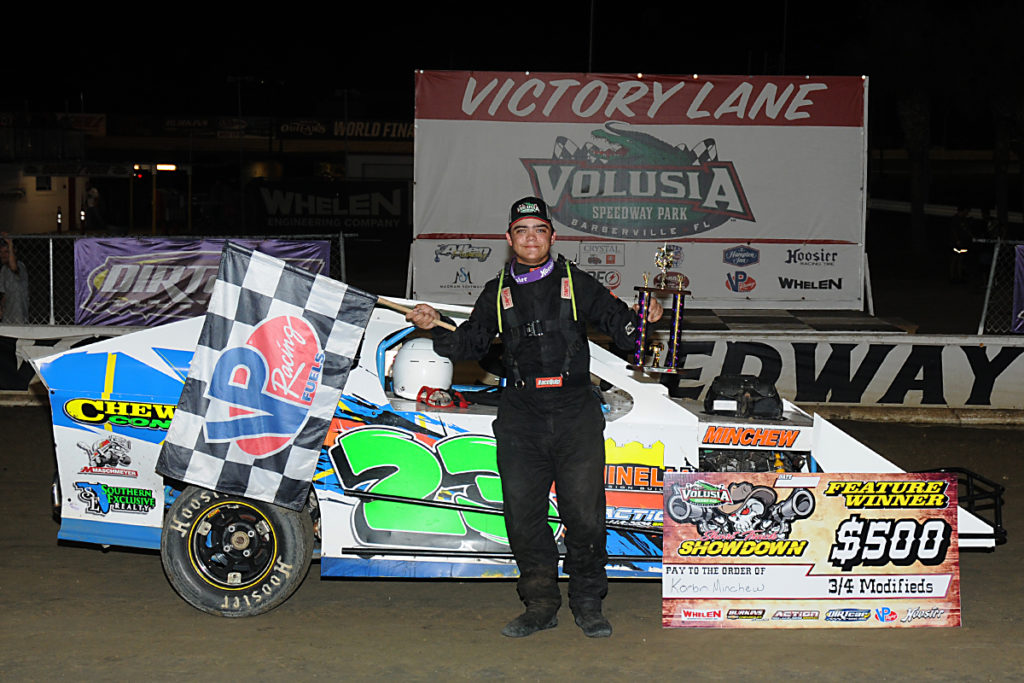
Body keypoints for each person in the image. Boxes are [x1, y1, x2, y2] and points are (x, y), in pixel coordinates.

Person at [406, 197, 662, 638]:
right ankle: (540, 605)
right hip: (521, 416)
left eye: (539, 230)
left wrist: (646, 318)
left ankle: (588, 603)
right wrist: (435, 324)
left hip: (575, 412)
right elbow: (470, 344)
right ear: (509, 239)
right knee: (523, 518)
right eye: (522, 230)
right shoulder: (497, 291)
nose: (530, 238)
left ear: (552, 237)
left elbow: (623, 330)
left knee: (585, 516)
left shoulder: (576, 283)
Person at [0, 233, 29, 389]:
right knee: (7, 353)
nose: (3, 255)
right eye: (2, 252)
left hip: (19, 318)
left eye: (6, 252)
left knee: (18, 352)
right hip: (7, 319)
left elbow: (14, 267)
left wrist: (10, 243)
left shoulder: (19, 266)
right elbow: (3, 293)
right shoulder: (3, 271)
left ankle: (18, 382)